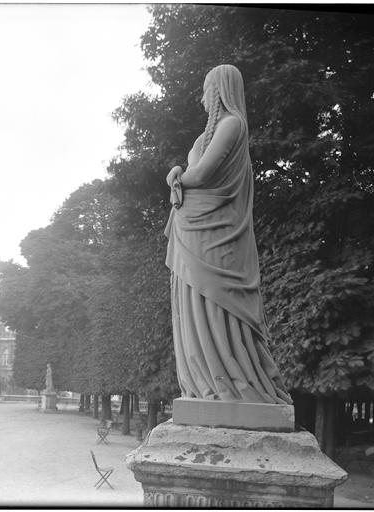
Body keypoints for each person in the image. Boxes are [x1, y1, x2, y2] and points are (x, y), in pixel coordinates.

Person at [164, 64, 292, 404]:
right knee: (194, 307)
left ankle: (235, 383)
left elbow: (202, 173)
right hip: (192, 229)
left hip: (216, 236)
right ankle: (205, 380)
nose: (203, 97)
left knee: (220, 306)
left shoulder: (232, 124)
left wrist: (178, 177)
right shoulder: (205, 134)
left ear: (220, 90)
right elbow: (193, 168)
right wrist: (180, 171)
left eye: (207, 89)